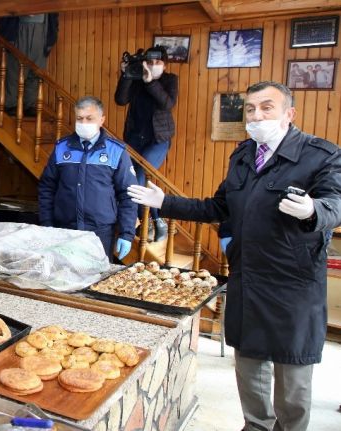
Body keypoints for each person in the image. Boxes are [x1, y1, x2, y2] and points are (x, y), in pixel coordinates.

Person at [128, 81, 341, 431]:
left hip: (293, 283)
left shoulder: (321, 155)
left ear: (289, 113)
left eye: (266, 108)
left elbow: (336, 203)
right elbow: (218, 206)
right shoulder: (243, 155)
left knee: (293, 376)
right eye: (251, 109)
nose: (257, 115)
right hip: (248, 277)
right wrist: (165, 203)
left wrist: (314, 210)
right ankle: (255, 425)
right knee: (250, 366)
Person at [38, 96, 138, 261]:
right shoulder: (61, 148)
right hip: (64, 231)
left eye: (89, 118)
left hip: (101, 233)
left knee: (95, 281)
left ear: (101, 120)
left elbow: (128, 194)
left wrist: (127, 233)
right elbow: (47, 188)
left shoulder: (116, 151)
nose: (84, 123)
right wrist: (47, 225)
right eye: (79, 118)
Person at [114, 45, 178, 242]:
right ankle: (155, 220)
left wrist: (150, 82)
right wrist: (126, 75)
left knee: (140, 175)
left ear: (164, 64)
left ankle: (150, 219)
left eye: (158, 62)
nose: (153, 65)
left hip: (159, 139)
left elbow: (167, 104)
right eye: (150, 62)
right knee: (133, 179)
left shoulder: (170, 79)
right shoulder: (135, 77)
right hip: (134, 138)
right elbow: (120, 99)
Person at [0, 14, 58, 116]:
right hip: (20, 26)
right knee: (15, 70)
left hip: (42, 28)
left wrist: (51, 38)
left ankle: (30, 105)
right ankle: (11, 104)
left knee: (35, 72)